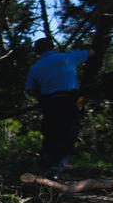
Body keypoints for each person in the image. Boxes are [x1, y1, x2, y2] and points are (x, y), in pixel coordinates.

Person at [25, 38, 93, 178]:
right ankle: (56, 169)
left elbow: (30, 89)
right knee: (68, 134)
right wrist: (80, 47)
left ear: (37, 51)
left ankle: (45, 164)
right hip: (69, 100)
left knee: (51, 133)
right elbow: (92, 52)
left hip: (49, 103)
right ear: (52, 47)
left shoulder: (35, 67)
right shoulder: (67, 57)